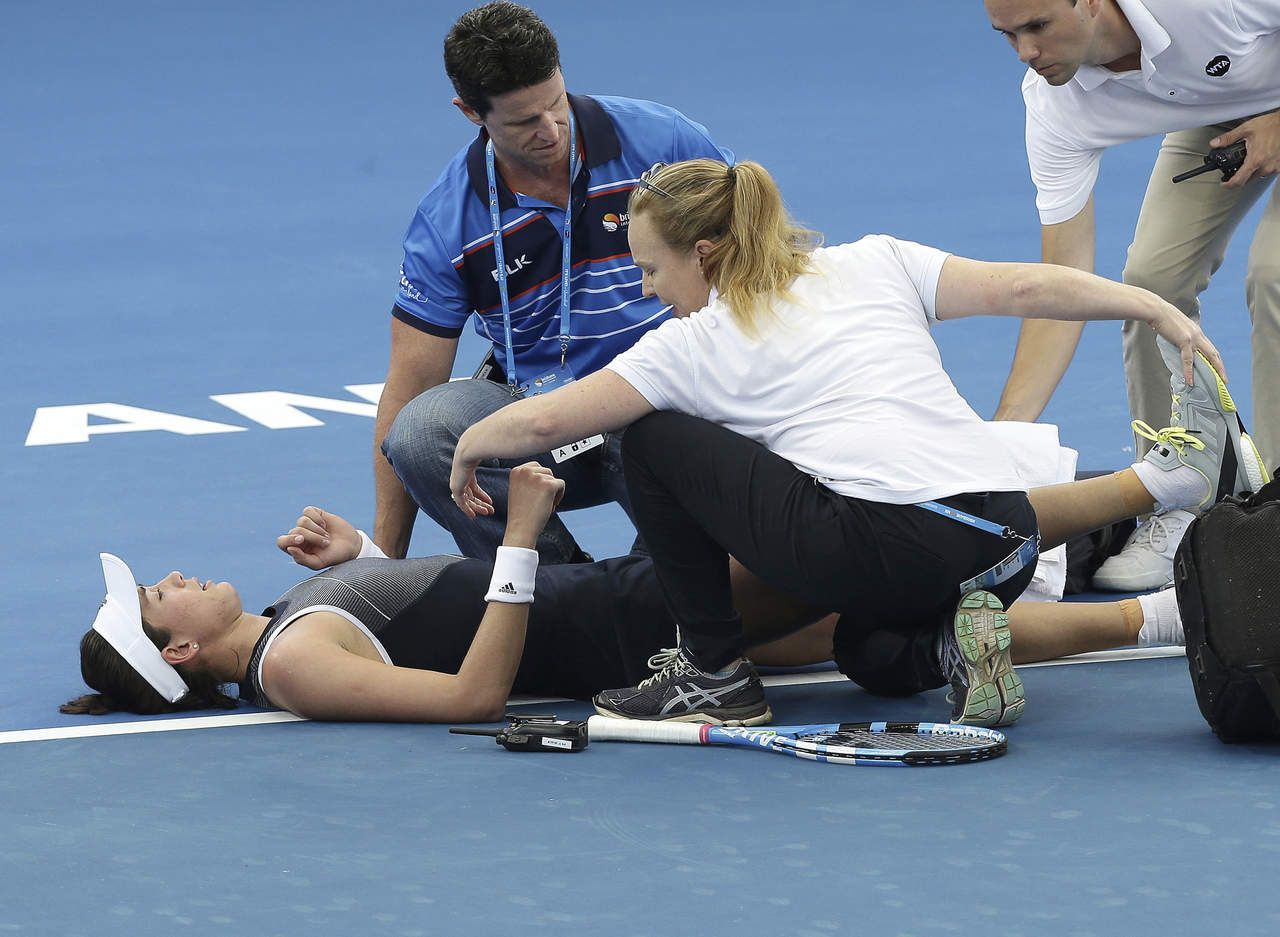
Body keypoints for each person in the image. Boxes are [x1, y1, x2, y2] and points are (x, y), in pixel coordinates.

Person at [448, 158, 1267, 728]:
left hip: (885, 540)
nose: (649, 292)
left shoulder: (690, 345)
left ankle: (714, 674)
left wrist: (466, 442)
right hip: (1010, 537)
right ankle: (948, 640)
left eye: (652, 271)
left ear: (703, 255)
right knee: (863, 648)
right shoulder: (877, 261)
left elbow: (553, 420)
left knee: (650, 438)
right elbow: (1022, 285)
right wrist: (1150, 306)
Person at [62, 456, 1192, 725]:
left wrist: (364, 549)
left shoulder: (291, 616)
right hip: (635, 620)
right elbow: (469, 697)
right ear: (177, 658)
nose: (171, 578)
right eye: (158, 601)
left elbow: (432, 611)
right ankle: (1156, 484)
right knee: (887, 528)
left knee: (899, 627)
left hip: (618, 598)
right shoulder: (294, 664)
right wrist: (515, 539)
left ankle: (1160, 611)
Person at [374, 1, 732, 567]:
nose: (550, 131)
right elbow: (409, 387)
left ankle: (665, 594)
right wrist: (382, 563)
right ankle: (558, 598)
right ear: (471, 113)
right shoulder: (447, 221)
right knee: (421, 435)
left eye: (556, 105)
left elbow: (755, 262)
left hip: (672, 401)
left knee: (683, 588)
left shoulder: (664, 143)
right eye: (522, 122)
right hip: (547, 415)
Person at [982, 0, 1279, 590]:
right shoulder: (1056, 106)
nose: (1026, 53)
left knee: (1274, 277)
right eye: (1008, 35)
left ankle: (1275, 514)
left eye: (1038, 26)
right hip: (1227, 108)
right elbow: (1063, 284)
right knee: (1149, 287)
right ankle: (1181, 492)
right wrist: (999, 441)